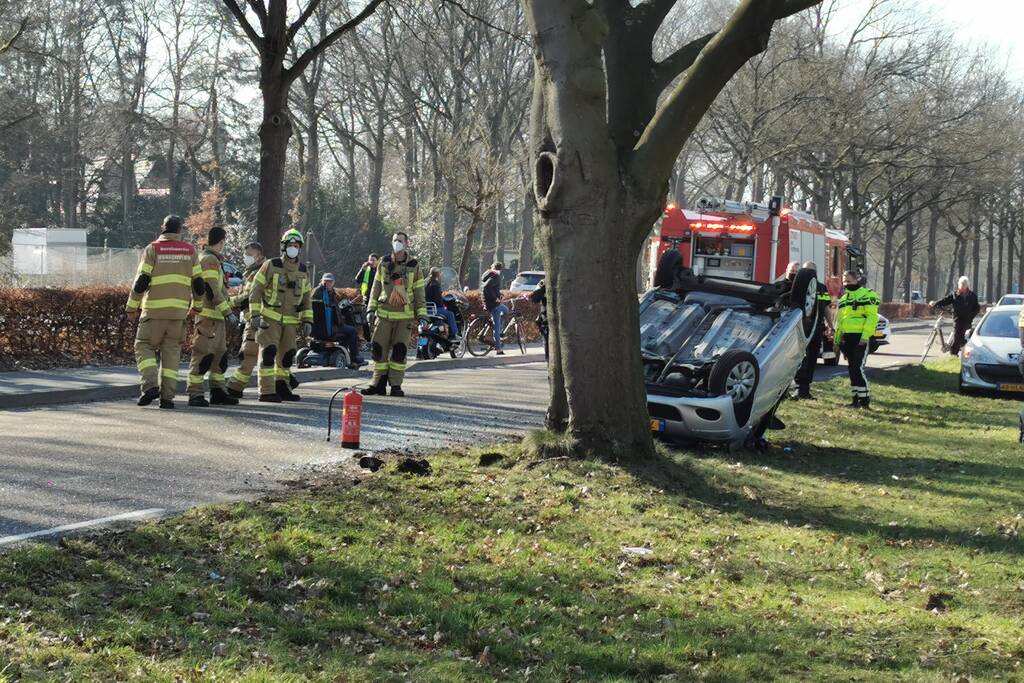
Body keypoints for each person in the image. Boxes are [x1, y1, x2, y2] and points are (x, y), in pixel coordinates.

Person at [126, 215, 205, 410]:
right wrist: (197, 306)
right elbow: (198, 283)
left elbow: (142, 280)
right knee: (171, 355)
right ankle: (167, 398)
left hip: (153, 311)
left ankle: (151, 385)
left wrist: (131, 306)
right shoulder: (190, 251)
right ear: (180, 230)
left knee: (143, 346)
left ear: (163, 228)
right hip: (178, 314)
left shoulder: (153, 248)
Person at [249, 228, 314, 403]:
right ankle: (267, 391)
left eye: (296, 245)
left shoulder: (303, 270)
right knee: (269, 353)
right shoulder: (271, 265)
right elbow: (256, 291)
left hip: (291, 322)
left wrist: (308, 319)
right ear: (284, 247)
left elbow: (307, 297)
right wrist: (255, 315)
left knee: (287, 357)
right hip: (269, 319)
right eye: (290, 245)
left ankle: (282, 387)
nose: (293, 248)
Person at [362, 232, 427, 397]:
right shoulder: (383, 263)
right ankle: (378, 384)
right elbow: (376, 287)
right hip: (384, 315)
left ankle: (396, 385)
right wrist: (371, 308)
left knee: (399, 351)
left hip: (404, 318)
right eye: (395, 240)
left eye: (400, 240)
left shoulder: (414, 265)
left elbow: (420, 292)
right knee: (378, 350)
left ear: (407, 243)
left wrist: (422, 316)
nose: (397, 243)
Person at [185, 227, 238, 407]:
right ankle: (195, 393)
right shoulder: (209, 260)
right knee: (202, 356)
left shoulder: (213, 260)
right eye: (224, 242)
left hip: (216, 319)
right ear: (221, 241)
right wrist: (227, 311)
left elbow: (219, 290)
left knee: (219, 358)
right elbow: (212, 289)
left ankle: (218, 391)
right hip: (208, 318)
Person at [834, 270, 880, 408]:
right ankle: (855, 400)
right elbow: (840, 321)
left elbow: (872, 318)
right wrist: (837, 341)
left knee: (857, 368)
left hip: (861, 338)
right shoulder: (843, 299)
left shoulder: (868, 295)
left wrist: (865, 337)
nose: (846, 283)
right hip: (846, 339)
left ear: (857, 280)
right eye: (844, 281)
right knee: (851, 369)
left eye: (848, 281)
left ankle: (864, 401)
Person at [226, 241, 265, 399]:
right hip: (253, 318)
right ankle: (285, 382)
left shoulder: (260, 271)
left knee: (248, 354)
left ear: (258, 254)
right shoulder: (252, 271)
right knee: (266, 354)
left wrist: (231, 301)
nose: (246, 258)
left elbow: (248, 296)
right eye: (246, 255)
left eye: (249, 254)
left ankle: (234, 387)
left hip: (256, 320)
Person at [792, 261, 833, 399]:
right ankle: (795, 388)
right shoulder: (797, 287)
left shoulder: (821, 288)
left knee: (811, 359)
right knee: (797, 359)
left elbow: (826, 308)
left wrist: (831, 325)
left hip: (815, 330)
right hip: (799, 330)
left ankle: (804, 390)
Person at [311, 272, 365, 368]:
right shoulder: (325, 294)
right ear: (322, 281)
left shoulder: (315, 292)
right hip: (329, 328)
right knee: (352, 331)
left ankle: (340, 351)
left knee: (347, 330)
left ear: (333, 282)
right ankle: (354, 357)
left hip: (316, 330)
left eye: (330, 281)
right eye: (326, 281)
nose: (328, 283)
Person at [931, 276, 981, 356]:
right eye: (960, 286)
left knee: (965, 338)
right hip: (957, 319)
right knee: (957, 336)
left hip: (967, 320)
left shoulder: (972, 295)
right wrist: (936, 303)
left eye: (963, 286)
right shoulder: (955, 294)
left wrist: (971, 315)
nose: (961, 289)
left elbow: (977, 308)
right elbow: (945, 300)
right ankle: (953, 354)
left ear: (967, 286)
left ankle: (966, 354)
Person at [425, 267, 460, 339]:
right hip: (435, 309)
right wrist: (445, 300)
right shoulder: (435, 284)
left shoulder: (427, 283)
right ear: (438, 274)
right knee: (450, 314)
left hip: (427, 309)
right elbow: (438, 299)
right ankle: (455, 334)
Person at [482, 262, 507, 355]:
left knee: (503, 312)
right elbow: (487, 287)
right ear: (500, 269)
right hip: (493, 304)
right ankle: (498, 349)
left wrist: (499, 294)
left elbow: (492, 288)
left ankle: (498, 330)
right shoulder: (496, 276)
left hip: (488, 303)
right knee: (505, 311)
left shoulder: (490, 275)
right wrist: (495, 298)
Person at [355, 253, 379, 340]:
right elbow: (357, 280)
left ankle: (376, 339)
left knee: (376, 320)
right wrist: (362, 269)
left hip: (377, 300)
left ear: (378, 261)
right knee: (365, 320)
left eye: (373, 260)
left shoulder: (380, 270)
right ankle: (368, 340)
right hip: (367, 299)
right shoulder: (366, 270)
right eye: (370, 260)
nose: (371, 262)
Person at [529, 279, 548, 360]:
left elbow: (534, 298)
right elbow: (534, 298)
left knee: (547, 342)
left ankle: (549, 359)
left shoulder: (545, 282)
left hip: (546, 318)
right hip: (546, 318)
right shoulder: (545, 283)